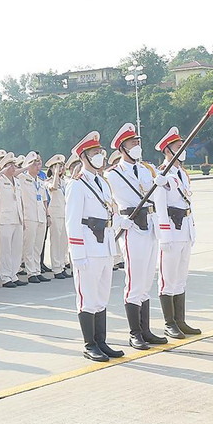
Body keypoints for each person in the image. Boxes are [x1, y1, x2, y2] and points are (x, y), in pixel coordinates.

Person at [105, 123, 168, 350]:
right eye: (133, 143)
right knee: (134, 280)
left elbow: (159, 190)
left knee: (146, 279)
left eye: (138, 142)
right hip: (131, 227)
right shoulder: (112, 174)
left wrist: (161, 183)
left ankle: (146, 330)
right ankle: (134, 333)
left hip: (149, 226)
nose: (137, 146)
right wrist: (115, 222)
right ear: (122, 148)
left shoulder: (146, 169)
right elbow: (105, 201)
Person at [66, 132, 123, 362]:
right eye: (94, 153)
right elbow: (72, 222)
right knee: (87, 298)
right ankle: (90, 344)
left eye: (100, 152)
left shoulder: (103, 183)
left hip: (105, 247)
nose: (100, 156)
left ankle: (101, 341)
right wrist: (77, 253)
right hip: (88, 249)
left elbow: (110, 212)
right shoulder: (77, 185)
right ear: (84, 157)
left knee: (101, 297)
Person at [154, 126, 201, 337]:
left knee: (181, 277)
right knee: (168, 278)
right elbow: (160, 207)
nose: (182, 149)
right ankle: (169, 322)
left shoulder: (181, 173)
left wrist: (192, 230)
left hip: (185, 231)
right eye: (178, 147)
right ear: (167, 151)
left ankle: (180, 320)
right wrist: (164, 235)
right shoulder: (161, 173)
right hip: (171, 232)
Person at [0, 153, 24, 288]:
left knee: (16, 249)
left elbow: (20, 201)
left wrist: (23, 218)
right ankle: (6, 277)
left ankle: (14, 275)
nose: (13, 167)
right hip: (5, 218)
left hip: (17, 217)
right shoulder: (0, 180)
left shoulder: (17, 181)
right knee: (6, 249)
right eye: (10, 165)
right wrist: (1, 171)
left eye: (14, 165)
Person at [18, 152, 50, 284]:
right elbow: (13, 174)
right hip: (29, 216)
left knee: (38, 246)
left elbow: (43, 200)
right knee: (29, 246)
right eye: (34, 164)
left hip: (40, 216)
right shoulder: (23, 178)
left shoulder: (41, 182)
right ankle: (31, 272)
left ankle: (37, 270)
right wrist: (26, 166)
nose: (37, 166)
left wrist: (47, 215)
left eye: (38, 163)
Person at [44, 155, 72, 279]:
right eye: (57, 166)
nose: (60, 168)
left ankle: (61, 265)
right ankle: (56, 268)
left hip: (64, 213)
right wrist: (55, 173)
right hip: (55, 214)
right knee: (56, 241)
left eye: (61, 166)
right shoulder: (49, 181)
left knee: (63, 242)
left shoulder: (65, 182)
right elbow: (53, 188)